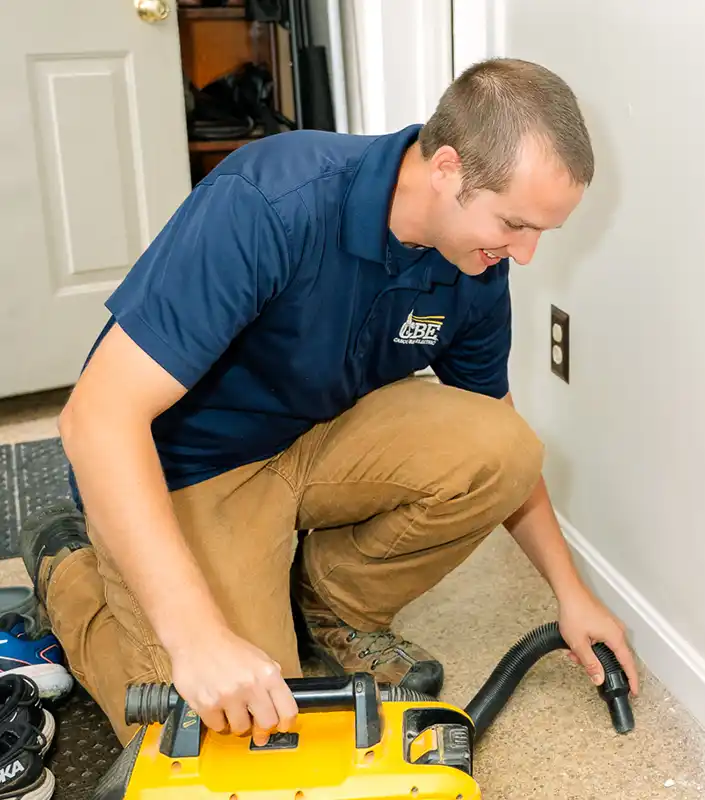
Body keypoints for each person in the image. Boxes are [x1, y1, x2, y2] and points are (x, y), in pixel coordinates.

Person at [19, 57, 639, 747]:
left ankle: (332, 606)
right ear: (447, 170)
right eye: (515, 224)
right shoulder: (273, 200)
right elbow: (95, 419)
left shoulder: (474, 261)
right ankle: (70, 568)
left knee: (504, 448)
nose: (524, 255)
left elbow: (502, 435)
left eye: (540, 234)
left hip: (315, 437)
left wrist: (570, 595)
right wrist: (196, 637)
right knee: (226, 727)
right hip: (193, 469)